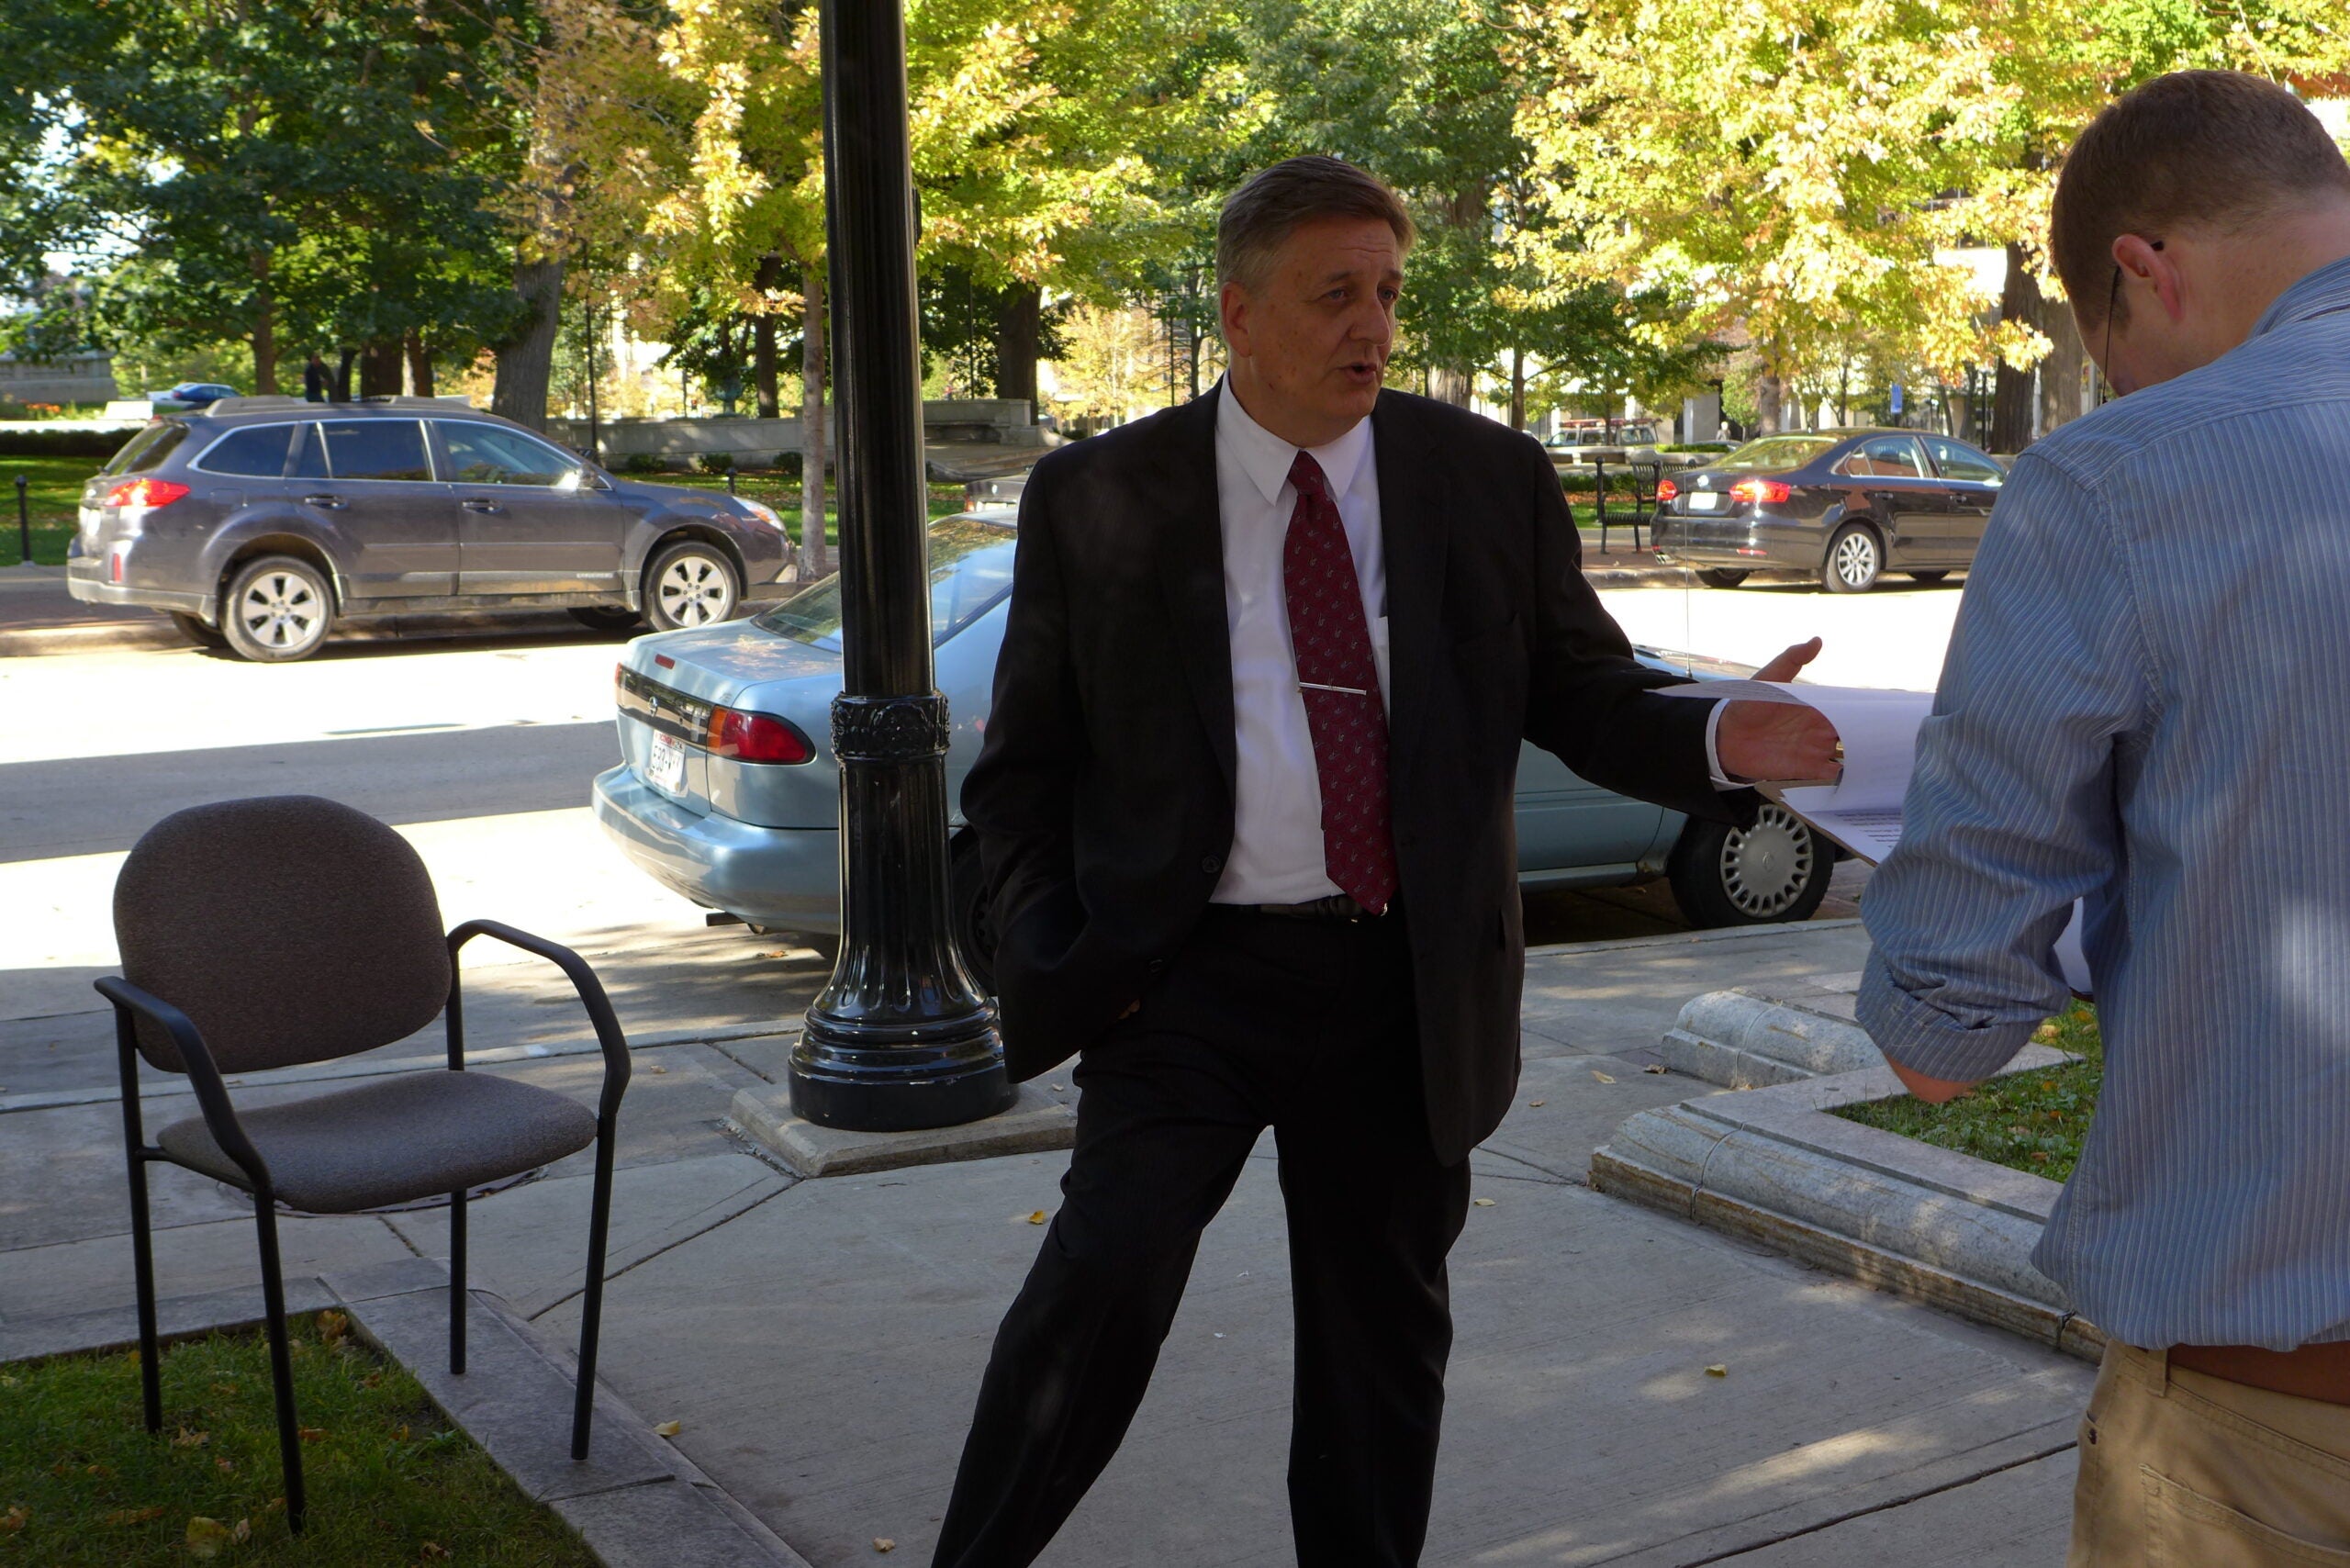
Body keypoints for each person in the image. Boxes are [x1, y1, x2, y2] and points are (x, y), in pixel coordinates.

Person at [935, 155, 1838, 1568]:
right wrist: (1057, 949)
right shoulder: (1102, 495)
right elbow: (1023, 773)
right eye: (1334, 295)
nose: (1372, 326)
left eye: (1388, 293)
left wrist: (1720, 733)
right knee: (1097, 1291)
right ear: (1240, 313)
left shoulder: (1481, 478)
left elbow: (1580, 689)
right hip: (1186, 983)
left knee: (1380, 1350)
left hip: (1403, 986)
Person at [1854, 70, 2350, 1564]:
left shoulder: (2118, 476)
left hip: (2275, 1427)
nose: (2128, 390)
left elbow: (1943, 1035)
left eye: (2112, 357)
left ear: (2143, 270)